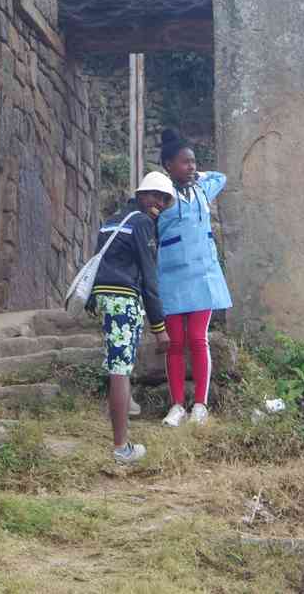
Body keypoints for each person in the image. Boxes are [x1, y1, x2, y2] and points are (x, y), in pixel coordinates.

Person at [90, 171, 174, 464]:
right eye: (155, 196)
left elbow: (99, 261)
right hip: (123, 297)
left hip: (106, 296)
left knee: (119, 365)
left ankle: (126, 409)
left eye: (165, 199)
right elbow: (150, 278)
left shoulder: (112, 220)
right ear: (140, 196)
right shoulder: (141, 223)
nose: (160, 203)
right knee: (120, 370)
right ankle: (121, 448)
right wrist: (160, 327)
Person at [156, 128, 232, 427]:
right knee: (175, 342)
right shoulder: (161, 196)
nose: (191, 166)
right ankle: (177, 406)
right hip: (171, 278)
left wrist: (197, 175)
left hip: (203, 276)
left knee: (198, 339)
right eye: (185, 162)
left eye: (193, 162)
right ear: (168, 166)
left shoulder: (202, 190)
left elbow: (220, 177)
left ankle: (200, 404)